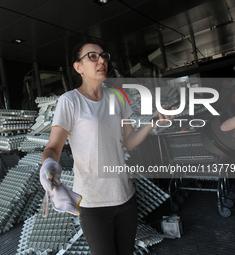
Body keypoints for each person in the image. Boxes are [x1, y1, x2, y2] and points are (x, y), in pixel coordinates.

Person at [39, 41, 174, 255]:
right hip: (93, 202)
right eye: (92, 56)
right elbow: (53, 147)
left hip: (125, 196)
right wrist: (48, 164)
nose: (102, 61)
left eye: (103, 56)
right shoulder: (70, 101)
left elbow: (129, 141)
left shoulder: (117, 97)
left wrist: (152, 122)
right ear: (78, 67)